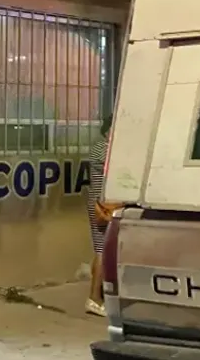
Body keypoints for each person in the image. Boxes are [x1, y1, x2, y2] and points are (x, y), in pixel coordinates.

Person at [85, 115, 119, 317]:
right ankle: (94, 299)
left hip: (101, 205)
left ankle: (99, 294)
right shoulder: (104, 150)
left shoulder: (103, 148)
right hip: (103, 208)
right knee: (102, 251)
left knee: (101, 250)